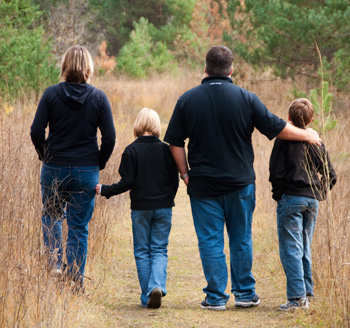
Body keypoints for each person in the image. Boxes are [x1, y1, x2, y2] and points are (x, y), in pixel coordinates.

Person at [164, 46, 322, 311]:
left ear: (205, 68)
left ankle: (215, 298)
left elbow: (174, 143)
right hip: (240, 184)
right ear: (231, 69)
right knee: (241, 238)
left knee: (210, 241)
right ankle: (245, 295)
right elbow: (276, 126)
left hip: (202, 184)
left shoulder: (187, 100)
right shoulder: (246, 98)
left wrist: (185, 174)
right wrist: (307, 135)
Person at [30, 45, 116, 291]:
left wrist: (45, 154)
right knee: (79, 226)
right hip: (85, 170)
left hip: (54, 167)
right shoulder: (98, 97)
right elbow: (109, 138)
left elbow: (36, 131)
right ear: (88, 67)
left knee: (51, 216)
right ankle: (75, 281)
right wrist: (98, 162)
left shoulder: (51, 94)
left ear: (65, 66)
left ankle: (56, 265)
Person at [95, 107, 179, 309]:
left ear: (138, 125)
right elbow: (174, 181)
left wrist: (105, 189)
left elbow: (127, 182)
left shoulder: (131, 150)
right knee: (159, 249)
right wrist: (167, 198)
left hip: (140, 208)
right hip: (163, 207)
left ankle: (147, 296)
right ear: (156, 126)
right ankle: (156, 286)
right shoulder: (167, 150)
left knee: (142, 251)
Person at [269, 98, 337, 311]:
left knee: (291, 247)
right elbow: (331, 175)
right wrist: (318, 193)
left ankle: (297, 298)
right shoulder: (316, 142)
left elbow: (275, 173)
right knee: (304, 245)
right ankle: (307, 292)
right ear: (311, 119)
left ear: (288, 118)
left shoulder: (282, 141)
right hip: (311, 200)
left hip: (291, 198)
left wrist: (279, 195)